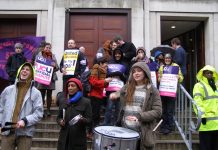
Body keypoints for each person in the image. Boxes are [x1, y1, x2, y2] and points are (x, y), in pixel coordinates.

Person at [110, 62, 162, 150]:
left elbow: (158, 111)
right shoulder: (127, 87)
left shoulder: (152, 90)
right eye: (134, 71)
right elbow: (119, 93)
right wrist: (114, 95)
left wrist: (139, 116)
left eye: (139, 71)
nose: (136, 73)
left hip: (142, 134)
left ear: (145, 72)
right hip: (125, 131)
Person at [0, 62, 44, 150]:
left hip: (25, 133)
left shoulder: (36, 93)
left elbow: (38, 113)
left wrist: (25, 121)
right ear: (19, 72)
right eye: (22, 69)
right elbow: (1, 109)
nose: (24, 71)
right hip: (7, 131)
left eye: (27, 70)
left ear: (31, 74)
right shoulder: (8, 90)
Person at [56, 78, 92, 150]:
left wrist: (82, 120)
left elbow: (90, 120)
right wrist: (60, 121)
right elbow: (58, 117)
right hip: (64, 139)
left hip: (78, 140)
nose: (70, 88)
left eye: (73, 86)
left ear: (78, 88)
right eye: (68, 86)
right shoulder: (63, 101)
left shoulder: (86, 102)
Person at [193, 65, 218, 150]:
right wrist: (202, 116)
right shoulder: (199, 86)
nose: (210, 74)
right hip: (206, 124)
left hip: (216, 125)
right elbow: (197, 102)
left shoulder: (215, 86)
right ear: (203, 74)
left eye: (211, 73)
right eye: (208, 73)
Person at [158, 53, 183, 134]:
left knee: (169, 110)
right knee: (164, 110)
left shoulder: (176, 66)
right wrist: (160, 78)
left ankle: (170, 126)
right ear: (164, 59)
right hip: (163, 91)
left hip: (171, 91)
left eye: (169, 58)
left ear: (171, 59)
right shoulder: (162, 67)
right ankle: (163, 125)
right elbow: (158, 78)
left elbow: (181, 78)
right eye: (166, 58)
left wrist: (178, 77)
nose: (167, 60)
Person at [103, 48, 127, 126]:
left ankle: (116, 124)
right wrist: (114, 73)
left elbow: (126, 79)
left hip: (120, 89)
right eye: (116, 53)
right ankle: (106, 123)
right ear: (114, 54)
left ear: (121, 55)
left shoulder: (124, 64)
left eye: (119, 54)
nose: (117, 55)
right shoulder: (109, 63)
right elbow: (105, 75)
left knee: (118, 108)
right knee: (109, 107)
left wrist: (120, 75)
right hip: (110, 88)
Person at [88, 57, 112, 134]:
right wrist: (105, 80)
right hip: (94, 95)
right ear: (101, 63)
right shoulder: (96, 69)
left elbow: (104, 86)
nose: (106, 66)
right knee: (94, 115)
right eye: (105, 64)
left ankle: (93, 132)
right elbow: (93, 82)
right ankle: (90, 132)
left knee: (96, 115)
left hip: (99, 95)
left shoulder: (102, 71)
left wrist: (107, 81)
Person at [35, 42, 59, 116]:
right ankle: (41, 110)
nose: (48, 49)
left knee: (49, 95)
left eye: (49, 48)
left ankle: (48, 110)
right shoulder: (39, 56)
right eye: (46, 47)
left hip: (51, 78)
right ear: (44, 48)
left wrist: (54, 66)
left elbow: (57, 67)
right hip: (42, 78)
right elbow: (35, 66)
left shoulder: (53, 56)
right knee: (41, 94)